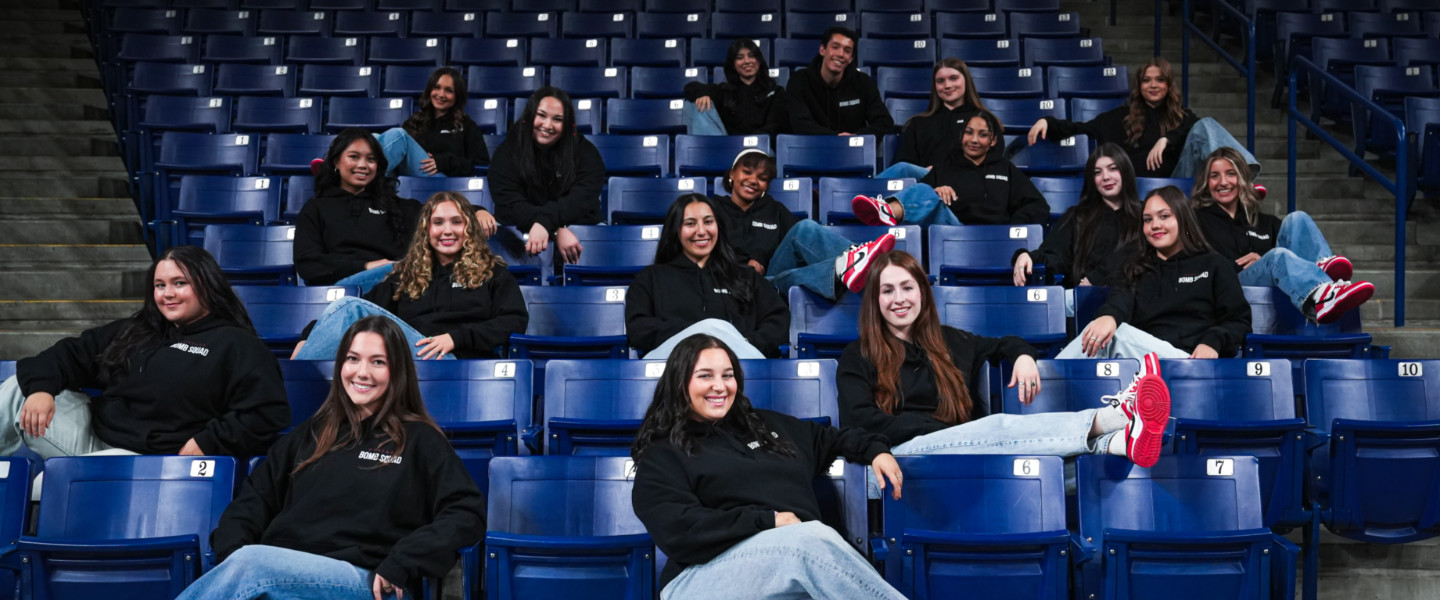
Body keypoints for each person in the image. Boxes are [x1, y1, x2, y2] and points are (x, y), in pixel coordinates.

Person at [178, 317, 486, 600]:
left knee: (251, 564)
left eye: (378, 362)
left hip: (360, 580)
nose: (361, 372)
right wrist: (231, 556)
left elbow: (466, 513)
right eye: (353, 359)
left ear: (398, 372)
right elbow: (250, 505)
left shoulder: (420, 440)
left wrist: (403, 560)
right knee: (248, 563)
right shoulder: (311, 433)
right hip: (277, 573)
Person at [837, 250, 1173, 501]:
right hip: (898, 461)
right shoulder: (858, 355)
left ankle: (1115, 443)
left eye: (907, 288)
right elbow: (859, 421)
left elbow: (1004, 343)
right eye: (887, 290)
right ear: (875, 300)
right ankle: (1114, 417)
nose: (899, 299)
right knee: (997, 426)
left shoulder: (950, 341)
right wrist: (946, 432)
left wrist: (1023, 356)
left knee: (1046, 467)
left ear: (922, 293)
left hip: (964, 454)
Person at [630, 333, 908, 600]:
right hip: (699, 578)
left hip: (787, 565)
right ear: (680, 383)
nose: (720, 386)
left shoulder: (766, 425)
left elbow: (830, 438)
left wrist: (876, 451)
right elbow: (681, 530)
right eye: (705, 376)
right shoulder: (663, 453)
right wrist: (767, 520)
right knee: (810, 539)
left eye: (727, 375)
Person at [3, 246, 288, 459]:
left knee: (51, 483)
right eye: (160, 285)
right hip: (94, 437)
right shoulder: (138, 329)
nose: (167, 294)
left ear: (208, 286)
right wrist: (41, 390)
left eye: (180, 283)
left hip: (149, 460)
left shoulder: (237, 344)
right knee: (19, 386)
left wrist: (209, 442)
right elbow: (69, 354)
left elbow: (267, 412)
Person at [293, 192, 528, 361]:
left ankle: (296, 381)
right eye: (438, 223)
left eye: (457, 222)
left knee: (350, 308)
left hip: (455, 361)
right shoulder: (408, 276)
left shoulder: (493, 273)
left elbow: (514, 320)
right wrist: (308, 336)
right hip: (407, 360)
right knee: (352, 318)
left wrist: (455, 338)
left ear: (469, 229)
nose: (447, 230)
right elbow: (367, 306)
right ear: (426, 231)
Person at [1060, 186, 1252, 359]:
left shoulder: (1215, 264)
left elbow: (1238, 320)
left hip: (1191, 361)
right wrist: (1109, 316)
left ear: (1183, 218)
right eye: (1147, 219)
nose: (1155, 225)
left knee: (1115, 335)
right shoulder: (1135, 268)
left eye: (1164, 216)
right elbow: (1120, 301)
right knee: (1103, 332)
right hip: (1141, 365)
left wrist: (1212, 342)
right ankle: (1051, 379)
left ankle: (1049, 379)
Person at [1192, 147, 1372, 324]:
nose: (1223, 182)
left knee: (1297, 218)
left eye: (1231, 174)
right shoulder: (1197, 220)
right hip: (1233, 285)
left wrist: (1262, 260)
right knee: (1276, 257)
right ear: (1206, 182)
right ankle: (1323, 295)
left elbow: (1288, 260)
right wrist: (1265, 262)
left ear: (1243, 179)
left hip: (1276, 284)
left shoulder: (1265, 221)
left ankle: (1322, 271)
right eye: (1214, 176)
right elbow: (1199, 265)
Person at [1025, 57, 1256, 178]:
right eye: (1147, 80)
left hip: (1178, 182)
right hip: (1139, 187)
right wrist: (1049, 122)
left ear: (1169, 85)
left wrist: (1167, 139)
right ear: (1139, 85)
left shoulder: (1183, 117)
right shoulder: (1121, 117)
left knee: (1205, 125)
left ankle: (1242, 174)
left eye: (1160, 80)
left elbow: (1201, 133)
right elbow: (1083, 129)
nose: (1153, 85)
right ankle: (1238, 176)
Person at [715, 149, 896, 300]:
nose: (754, 181)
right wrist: (745, 265)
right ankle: (859, 269)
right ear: (732, 174)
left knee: (805, 229)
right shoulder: (714, 208)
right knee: (799, 278)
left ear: (766, 186)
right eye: (747, 172)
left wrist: (760, 258)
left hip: (772, 280)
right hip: (731, 281)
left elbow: (804, 242)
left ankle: (854, 261)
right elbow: (711, 251)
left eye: (762, 178)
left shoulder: (774, 209)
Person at [626, 194, 790, 360]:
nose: (701, 231)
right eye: (690, 223)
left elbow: (778, 318)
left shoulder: (746, 276)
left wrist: (745, 343)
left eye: (708, 222)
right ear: (676, 229)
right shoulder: (650, 278)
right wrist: (701, 335)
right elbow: (639, 329)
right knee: (712, 327)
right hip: (674, 364)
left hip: (737, 366)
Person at [851, 111, 1049, 226]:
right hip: (953, 231)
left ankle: (885, 212)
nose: (974, 140)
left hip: (997, 235)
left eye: (982, 135)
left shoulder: (1006, 169)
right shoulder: (944, 168)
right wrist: (936, 192)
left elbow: (1039, 206)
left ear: (993, 141)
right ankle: (885, 211)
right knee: (925, 190)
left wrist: (1012, 225)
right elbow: (920, 199)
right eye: (969, 133)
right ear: (962, 136)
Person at [488, 86, 605, 264]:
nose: (547, 125)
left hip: (576, 224)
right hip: (520, 226)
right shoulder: (507, 151)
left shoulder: (585, 151)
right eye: (541, 115)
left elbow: (582, 199)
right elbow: (509, 204)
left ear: (567, 125)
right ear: (530, 116)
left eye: (557, 119)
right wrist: (555, 230)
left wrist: (546, 223)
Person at [295, 129, 422, 291]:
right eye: (354, 157)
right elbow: (308, 263)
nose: (362, 165)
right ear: (336, 162)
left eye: (371, 159)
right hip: (344, 289)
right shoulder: (315, 208)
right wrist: (365, 266)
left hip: (394, 285)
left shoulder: (403, 207)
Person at [1012, 144, 1143, 288]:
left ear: (1125, 171)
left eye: (1113, 169)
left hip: (1137, 294)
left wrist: (1096, 278)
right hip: (1087, 296)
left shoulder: (1146, 215)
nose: (1106, 177)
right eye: (1097, 172)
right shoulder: (1077, 217)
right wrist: (1028, 256)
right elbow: (1056, 255)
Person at [370, 66, 491, 178]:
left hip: (443, 181)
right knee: (374, 138)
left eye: (449, 90)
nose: (441, 94)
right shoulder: (415, 121)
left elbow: (481, 163)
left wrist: (445, 162)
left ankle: (366, 180)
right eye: (437, 88)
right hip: (408, 180)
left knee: (398, 135)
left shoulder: (467, 126)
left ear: (457, 95)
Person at [881, 58, 988, 180]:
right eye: (940, 81)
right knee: (902, 168)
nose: (947, 85)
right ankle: (868, 189)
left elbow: (992, 165)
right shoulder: (918, 123)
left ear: (966, 80)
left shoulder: (984, 120)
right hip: (926, 183)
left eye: (953, 78)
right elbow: (904, 166)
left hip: (967, 181)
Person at [786, 26, 894, 136]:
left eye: (847, 50)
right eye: (835, 47)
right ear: (822, 50)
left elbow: (885, 123)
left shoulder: (864, 83)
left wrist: (855, 137)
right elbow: (800, 124)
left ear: (851, 58)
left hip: (853, 145)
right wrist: (836, 139)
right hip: (811, 145)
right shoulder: (799, 81)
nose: (841, 54)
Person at [683, 39, 790, 136]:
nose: (747, 61)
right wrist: (703, 94)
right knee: (695, 104)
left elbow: (776, 126)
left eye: (751, 56)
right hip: (730, 146)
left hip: (761, 146)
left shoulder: (776, 92)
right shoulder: (725, 91)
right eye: (740, 58)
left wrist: (747, 142)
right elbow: (690, 87)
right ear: (733, 65)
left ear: (759, 61)